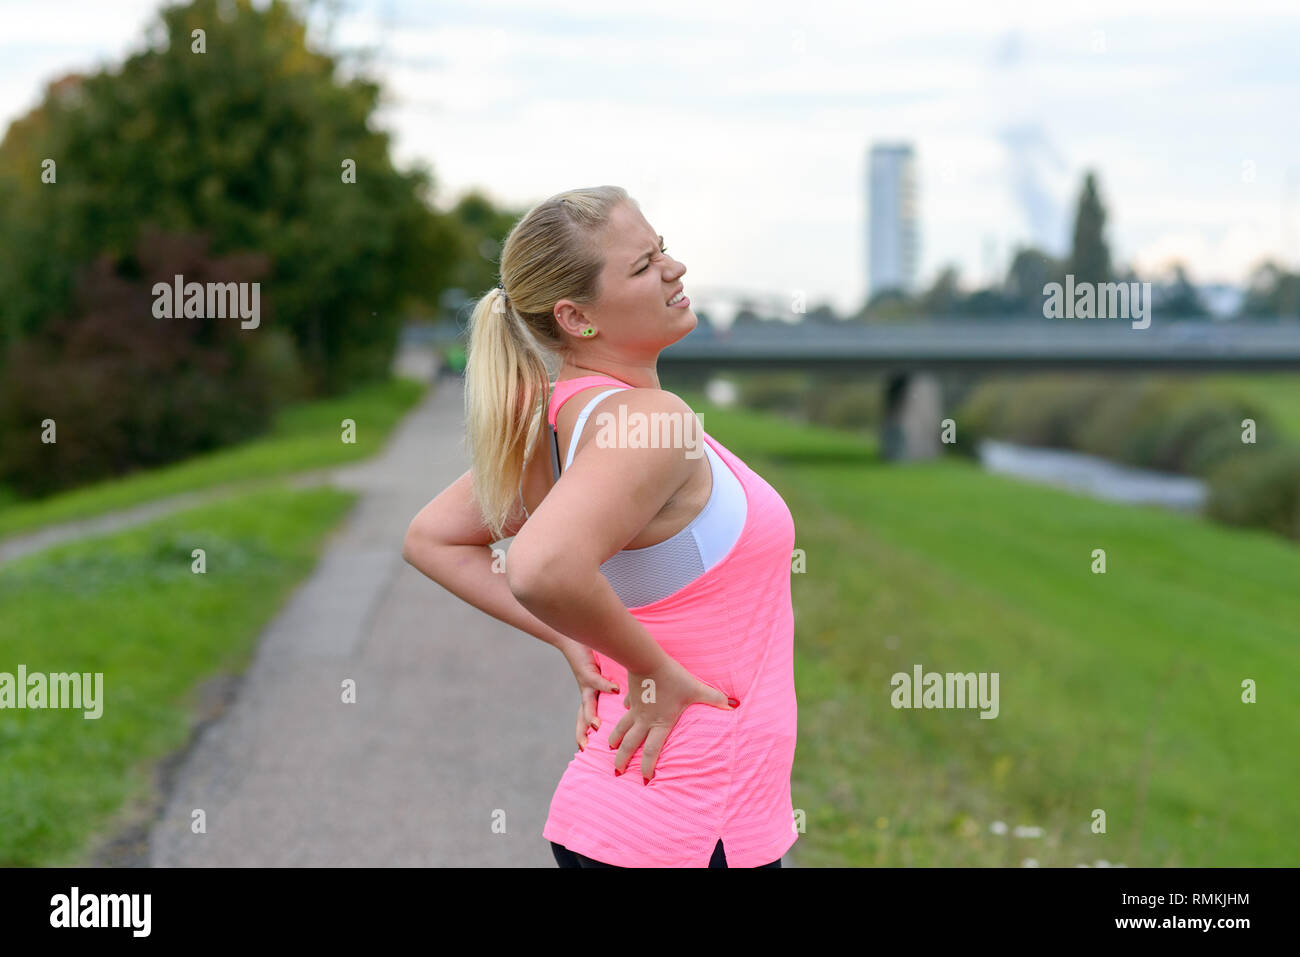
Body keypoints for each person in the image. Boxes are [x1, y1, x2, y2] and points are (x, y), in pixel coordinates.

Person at [401, 185, 797, 867]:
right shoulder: (651, 421)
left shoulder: (564, 424)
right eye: (643, 265)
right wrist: (646, 665)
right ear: (576, 317)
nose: (673, 270)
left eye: (663, 250)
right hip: (689, 825)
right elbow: (538, 567)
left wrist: (573, 639)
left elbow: (431, 538)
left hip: (626, 819)